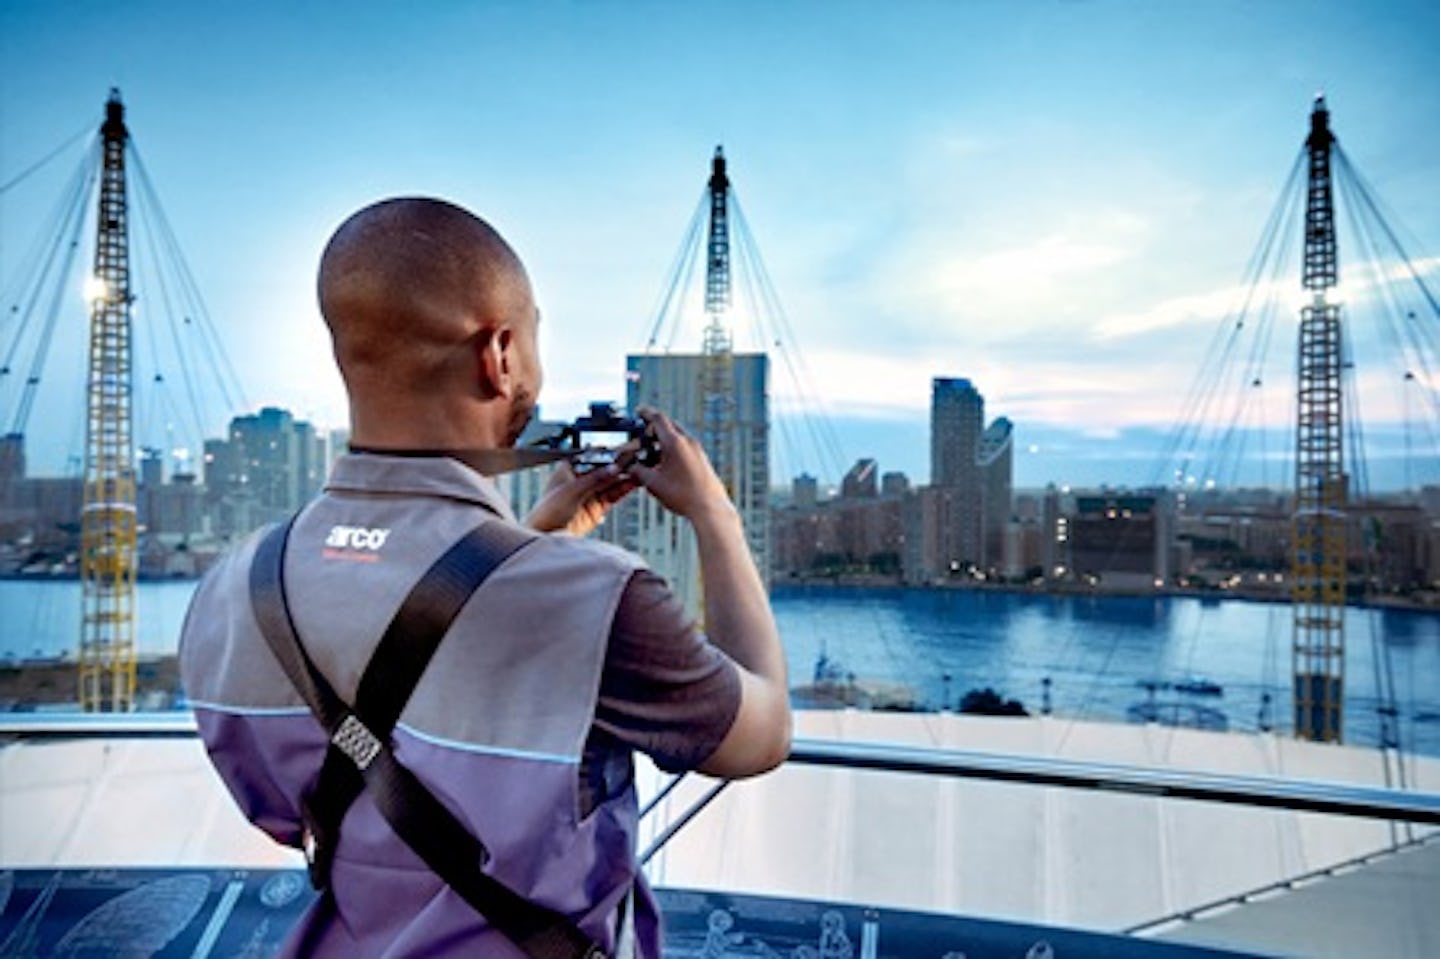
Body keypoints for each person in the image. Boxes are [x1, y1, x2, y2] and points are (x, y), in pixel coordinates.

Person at [179, 196, 791, 958]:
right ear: (500, 354)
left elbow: (307, 792)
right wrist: (715, 516)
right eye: (534, 338)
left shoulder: (235, 586)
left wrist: (529, 543)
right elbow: (759, 736)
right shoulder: (598, 600)